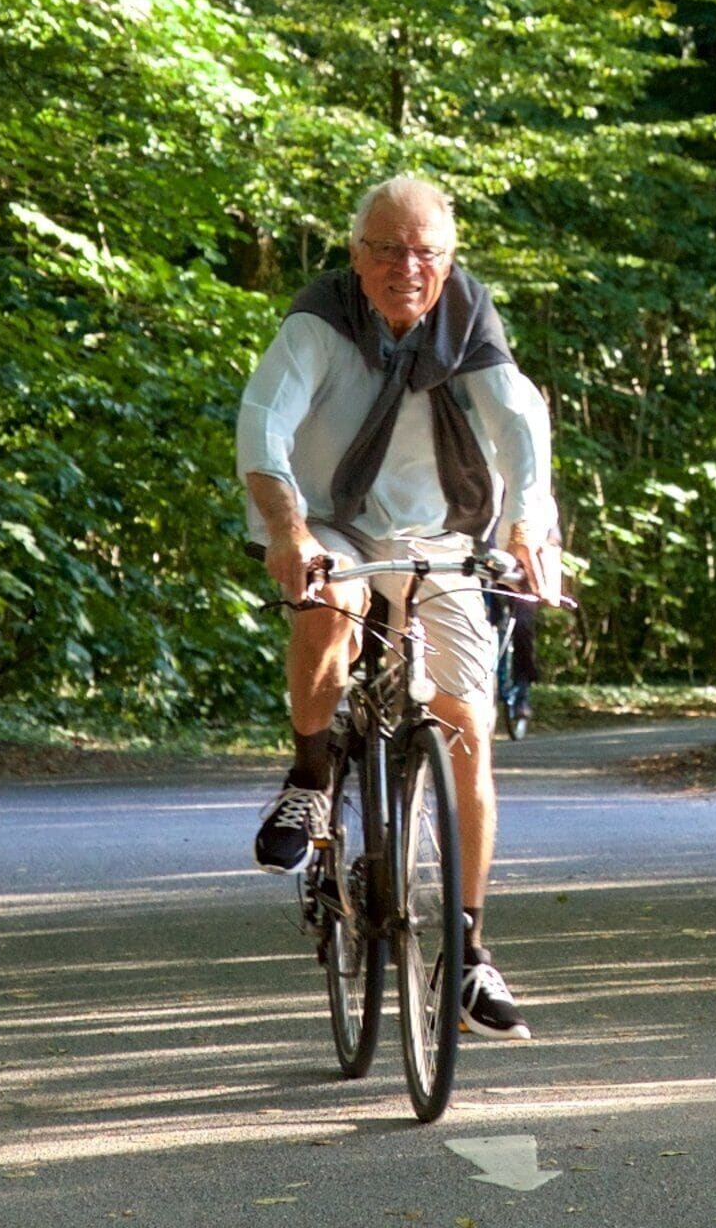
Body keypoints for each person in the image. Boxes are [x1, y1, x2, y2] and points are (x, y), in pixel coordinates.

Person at [236, 174, 564, 1039]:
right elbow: (263, 426)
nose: (406, 268)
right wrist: (286, 531)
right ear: (356, 254)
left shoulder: (469, 321)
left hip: (441, 537)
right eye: (387, 249)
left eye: (426, 252)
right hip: (333, 526)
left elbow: (519, 429)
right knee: (329, 601)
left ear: (449, 260)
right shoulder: (319, 320)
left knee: (465, 723)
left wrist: (531, 526)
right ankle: (310, 778)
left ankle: (465, 946)